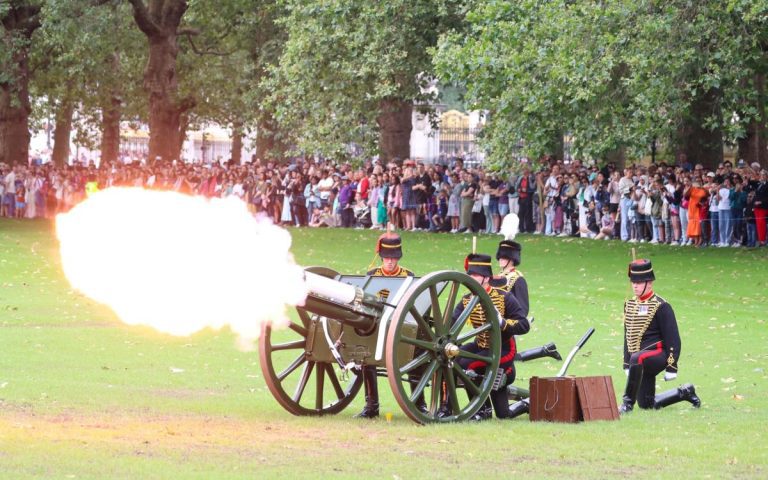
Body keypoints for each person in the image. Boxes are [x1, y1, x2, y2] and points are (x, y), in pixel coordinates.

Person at [451, 253, 530, 420]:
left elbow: (524, 325)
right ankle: (471, 408)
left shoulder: (504, 297)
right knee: (455, 358)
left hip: (503, 350)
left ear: (486, 278)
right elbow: (451, 321)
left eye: (475, 275)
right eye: (469, 275)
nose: (471, 278)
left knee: (466, 364)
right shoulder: (467, 300)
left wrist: (502, 322)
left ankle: (518, 404)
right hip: (481, 346)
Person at [619, 259, 701, 413]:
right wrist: (626, 363)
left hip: (658, 355)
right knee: (646, 404)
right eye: (633, 282)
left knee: (638, 357)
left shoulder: (661, 305)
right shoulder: (629, 305)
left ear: (649, 283)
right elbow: (627, 336)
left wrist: (672, 366)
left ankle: (627, 404)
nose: (635, 285)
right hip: (638, 360)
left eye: (639, 282)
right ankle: (684, 392)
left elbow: (673, 338)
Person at [355, 233, 416, 419]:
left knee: (414, 360)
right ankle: (371, 406)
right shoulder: (373, 275)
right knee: (367, 360)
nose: (390, 262)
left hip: (400, 326)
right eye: (387, 258)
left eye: (394, 258)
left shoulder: (408, 276)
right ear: (382, 258)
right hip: (375, 325)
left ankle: (418, 405)